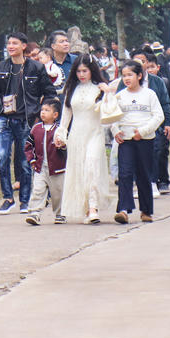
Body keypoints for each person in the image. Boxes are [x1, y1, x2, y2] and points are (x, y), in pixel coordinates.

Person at [0, 31, 54, 214]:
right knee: (2, 157)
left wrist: (40, 112)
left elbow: (49, 92)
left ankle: (25, 200)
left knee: (25, 160)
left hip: (26, 119)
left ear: (24, 46)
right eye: (9, 43)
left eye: (15, 43)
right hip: (5, 119)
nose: (11, 46)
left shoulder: (36, 68)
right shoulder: (1, 67)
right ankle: (8, 198)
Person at [58, 54, 116, 224]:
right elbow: (66, 116)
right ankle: (85, 208)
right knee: (80, 172)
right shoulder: (71, 89)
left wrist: (107, 92)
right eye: (78, 71)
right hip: (76, 136)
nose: (81, 74)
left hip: (95, 134)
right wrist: (61, 134)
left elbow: (110, 112)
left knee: (92, 168)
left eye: (85, 71)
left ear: (92, 71)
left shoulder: (100, 88)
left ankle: (93, 208)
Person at [112, 60, 164, 224]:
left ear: (139, 76)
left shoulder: (149, 94)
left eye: (130, 75)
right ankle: (123, 210)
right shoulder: (119, 96)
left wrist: (143, 131)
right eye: (124, 75)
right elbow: (112, 116)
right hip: (126, 141)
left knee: (143, 175)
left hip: (144, 140)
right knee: (125, 174)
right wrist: (115, 131)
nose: (126, 78)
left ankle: (146, 210)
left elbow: (158, 116)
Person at [121, 46, 170, 196]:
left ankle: (153, 182)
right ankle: (137, 184)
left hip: (153, 125)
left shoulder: (157, 82)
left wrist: (168, 123)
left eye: (142, 61)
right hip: (130, 127)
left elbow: (165, 104)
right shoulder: (124, 83)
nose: (140, 64)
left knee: (155, 152)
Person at [24, 98, 67, 225]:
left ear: (55, 115)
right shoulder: (36, 129)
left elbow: (66, 146)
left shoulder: (59, 130)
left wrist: (62, 145)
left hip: (58, 168)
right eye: (42, 109)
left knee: (58, 193)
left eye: (47, 110)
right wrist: (32, 160)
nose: (43, 112)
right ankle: (35, 213)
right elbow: (28, 145)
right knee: (38, 190)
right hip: (40, 167)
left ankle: (60, 214)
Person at [143, 52, 170, 194]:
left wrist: (166, 115)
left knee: (161, 151)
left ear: (157, 67)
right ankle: (151, 180)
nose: (150, 69)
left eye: (153, 67)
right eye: (148, 67)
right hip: (146, 122)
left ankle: (163, 180)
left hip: (162, 123)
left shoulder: (164, 82)